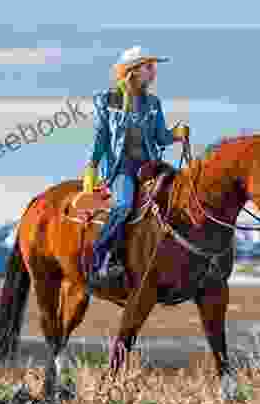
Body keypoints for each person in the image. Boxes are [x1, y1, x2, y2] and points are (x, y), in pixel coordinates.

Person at [84, 46, 189, 288]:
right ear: (133, 71)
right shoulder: (107, 100)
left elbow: (160, 137)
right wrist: (90, 170)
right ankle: (101, 257)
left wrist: (176, 134)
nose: (154, 72)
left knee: (177, 198)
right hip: (121, 169)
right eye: (149, 67)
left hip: (150, 167)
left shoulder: (153, 103)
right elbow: (100, 138)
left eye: (154, 67)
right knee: (122, 205)